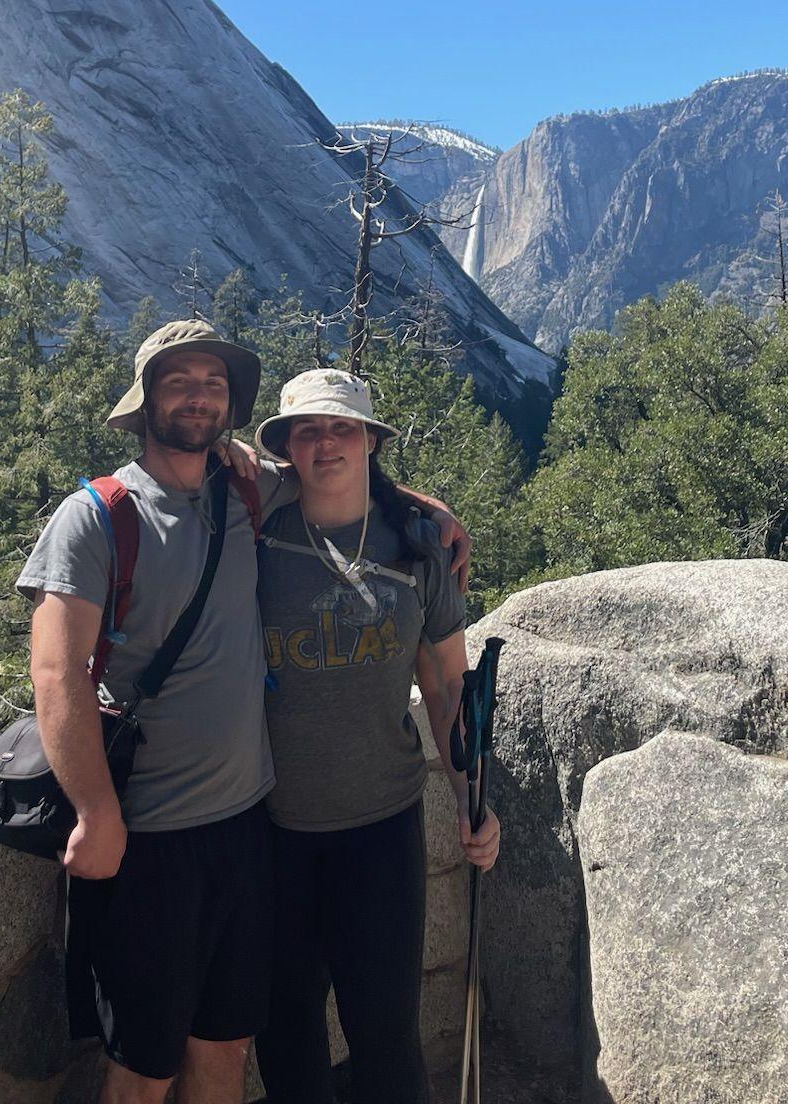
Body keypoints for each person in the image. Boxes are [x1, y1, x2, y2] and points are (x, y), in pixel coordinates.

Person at [18, 321, 469, 1104]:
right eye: (179, 382)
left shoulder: (246, 494)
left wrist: (430, 511)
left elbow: (344, 477)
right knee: (152, 1064)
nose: (197, 397)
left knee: (228, 1047)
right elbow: (55, 672)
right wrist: (95, 811)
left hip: (254, 831)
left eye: (213, 384)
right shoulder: (103, 516)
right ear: (144, 401)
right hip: (159, 833)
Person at [250, 368, 502, 1104]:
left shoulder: (418, 549)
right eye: (309, 430)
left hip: (381, 829)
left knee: (386, 1033)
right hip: (272, 827)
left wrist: (469, 796)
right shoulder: (251, 539)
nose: (326, 443)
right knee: (286, 1031)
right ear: (285, 447)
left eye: (343, 428)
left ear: (369, 441)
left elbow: (448, 687)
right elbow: (188, 465)